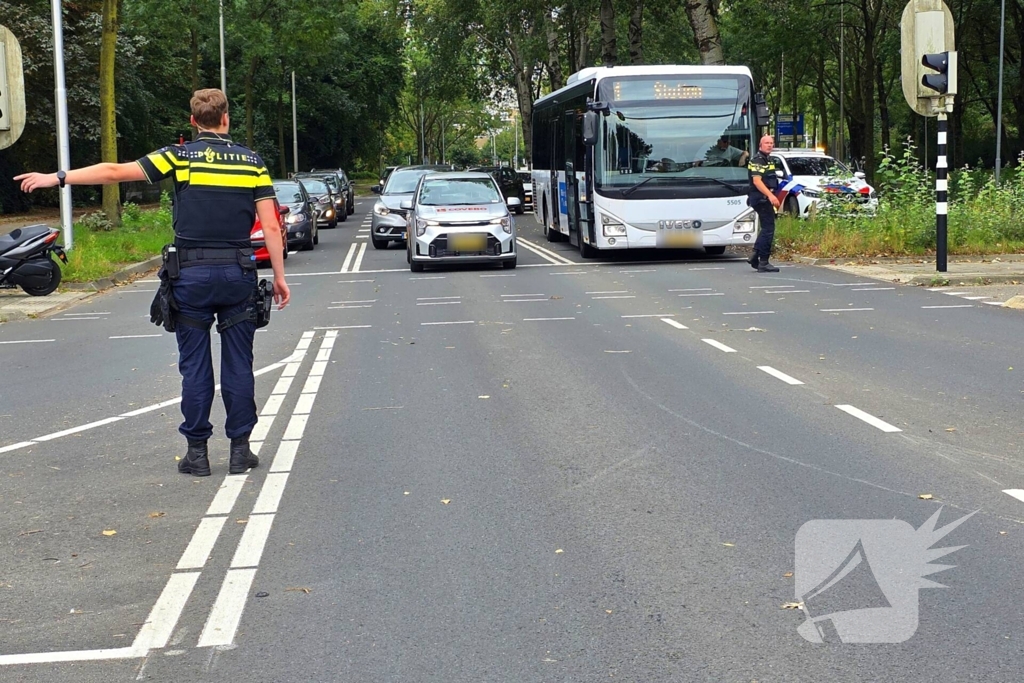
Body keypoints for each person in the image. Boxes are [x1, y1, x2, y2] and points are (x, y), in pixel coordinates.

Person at [15, 88, 291, 476]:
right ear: (226, 118)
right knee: (239, 364)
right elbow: (272, 226)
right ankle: (240, 451)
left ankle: (197, 455)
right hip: (237, 273)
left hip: (190, 276)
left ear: (193, 122)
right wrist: (278, 277)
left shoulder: (179, 156)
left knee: (195, 367)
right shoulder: (252, 163)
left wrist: (57, 177)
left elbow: (113, 171)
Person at [746, 135, 781, 273]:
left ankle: (755, 256)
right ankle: (763, 261)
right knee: (768, 229)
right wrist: (770, 196)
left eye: (771, 143)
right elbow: (757, 181)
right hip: (761, 198)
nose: (769, 145)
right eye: (767, 143)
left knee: (767, 227)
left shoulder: (768, 160)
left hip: (762, 197)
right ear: (760, 145)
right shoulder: (758, 160)